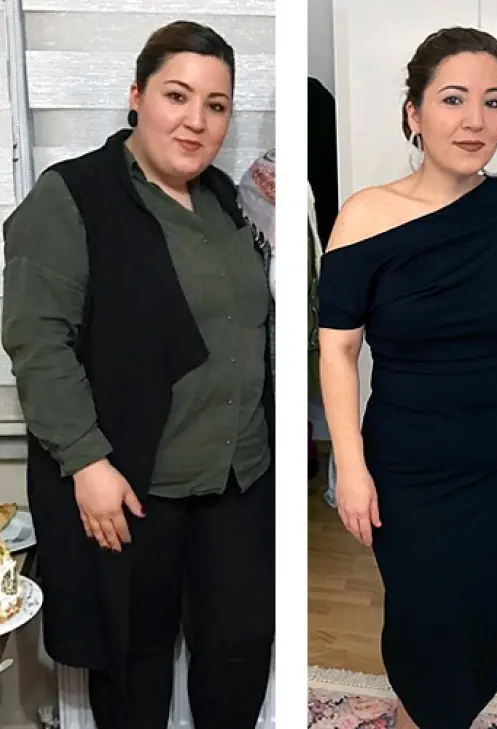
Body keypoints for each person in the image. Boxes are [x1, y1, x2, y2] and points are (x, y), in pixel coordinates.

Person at [2, 20, 274, 729]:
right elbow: (38, 341)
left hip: (237, 480)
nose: (196, 120)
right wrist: (86, 461)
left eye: (216, 105)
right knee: (134, 667)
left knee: (240, 653)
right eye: (177, 95)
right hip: (132, 487)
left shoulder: (224, 200)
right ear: (136, 96)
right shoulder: (73, 195)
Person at [318, 27, 497, 729]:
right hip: (407, 467)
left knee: (480, 624)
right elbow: (337, 352)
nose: (475, 120)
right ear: (414, 112)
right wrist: (350, 466)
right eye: (454, 99)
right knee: (423, 627)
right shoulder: (363, 216)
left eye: (492, 102)